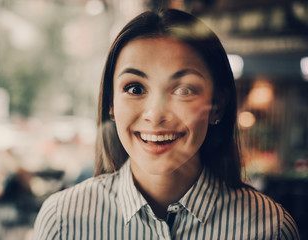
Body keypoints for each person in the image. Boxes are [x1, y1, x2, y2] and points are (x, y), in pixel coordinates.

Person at [33, 9, 300, 239]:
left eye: (184, 90)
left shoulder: (270, 229)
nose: (156, 114)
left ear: (216, 105)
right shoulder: (63, 221)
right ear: (111, 104)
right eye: (135, 88)